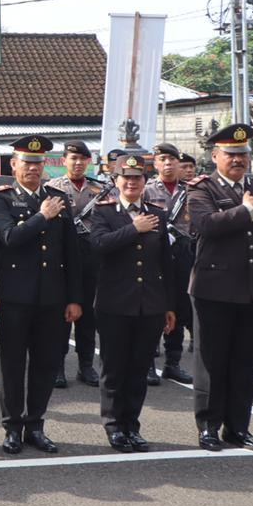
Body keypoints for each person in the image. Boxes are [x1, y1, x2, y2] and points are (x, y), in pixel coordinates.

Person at [0, 135, 83, 455]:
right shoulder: (1, 199)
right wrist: (42, 216)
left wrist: (74, 298)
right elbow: (10, 237)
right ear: (13, 165)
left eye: (37, 163)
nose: (32, 168)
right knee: (13, 364)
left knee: (46, 364)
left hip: (52, 298)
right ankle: (13, 427)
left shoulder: (58, 198)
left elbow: (71, 254)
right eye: (26, 163)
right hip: (15, 297)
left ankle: (36, 425)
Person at [187, 123, 253, 452]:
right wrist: (247, 210)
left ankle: (238, 428)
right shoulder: (202, 189)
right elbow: (206, 225)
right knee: (211, 361)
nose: (238, 160)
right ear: (215, 156)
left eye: (243, 154)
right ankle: (209, 426)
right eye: (230, 154)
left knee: (244, 361)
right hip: (214, 289)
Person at [89, 154, 176, 453]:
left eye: (137, 178)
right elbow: (98, 246)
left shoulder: (157, 213)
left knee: (139, 369)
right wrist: (133, 228)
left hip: (149, 304)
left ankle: (131, 426)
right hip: (114, 304)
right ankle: (114, 426)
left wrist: (169, 305)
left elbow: (166, 263)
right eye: (126, 178)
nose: (131, 182)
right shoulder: (104, 212)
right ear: (116, 181)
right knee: (114, 368)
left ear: (145, 182)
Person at [45, 141, 107, 388]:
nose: (78, 163)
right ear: (64, 161)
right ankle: (57, 366)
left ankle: (86, 365)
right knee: (60, 314)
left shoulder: (99, 189)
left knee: (88, 314)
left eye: (82, 159)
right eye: (73, 158)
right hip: (62, 256)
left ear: (88, 162)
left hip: (91, 255)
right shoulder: (52, 188)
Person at [143, 143, 194, 385]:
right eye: (162, 159)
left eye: (172, 159)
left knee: (180, 308)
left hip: (183, 255)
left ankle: (173, 362)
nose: (168, 163)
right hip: (155, 255)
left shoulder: (191, 190)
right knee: (153, 308)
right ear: (155, 163)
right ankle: (148, 364)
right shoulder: (147, 190)